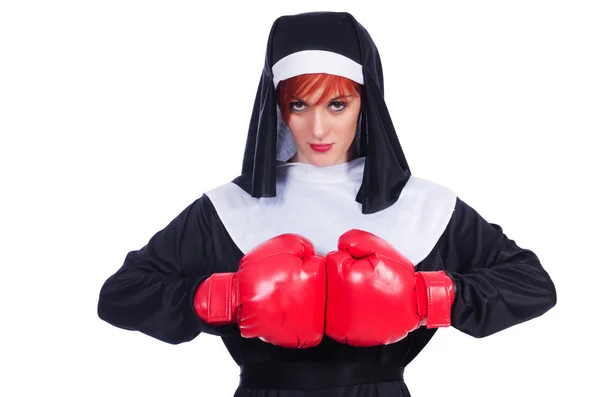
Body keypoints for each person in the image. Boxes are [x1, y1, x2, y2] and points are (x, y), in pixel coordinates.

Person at [97, 11, 557, 397]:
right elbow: (120, 295)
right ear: (276, 109)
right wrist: (220, 298)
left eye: (337, 104)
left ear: (367, 104)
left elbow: (533, 285)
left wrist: (427, 298)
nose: (318, 130)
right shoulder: (229, 209)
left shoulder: (422, 205)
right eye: (299, 105)